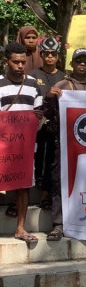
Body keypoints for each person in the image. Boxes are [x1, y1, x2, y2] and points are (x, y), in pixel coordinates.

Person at [44, 48, 86, 240]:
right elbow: (47, 114)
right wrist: (49, 97)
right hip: (66, 145)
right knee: (61, 181)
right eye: (78, 61)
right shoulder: (62, 85)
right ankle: (58, 224)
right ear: (71, 64)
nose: (82, 64)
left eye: (85, 61)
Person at [0, 42, 43, 242]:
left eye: (23, 62)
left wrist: (38, 117)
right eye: (15, 62)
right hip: (3, 145)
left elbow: (39, 115)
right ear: (6, 61)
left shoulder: (33, 85)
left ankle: (21, 228)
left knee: (23, 184)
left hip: (25, 147)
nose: (20, 66)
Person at [30, 37, 65, 209]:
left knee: (53, 161)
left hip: (58, 126)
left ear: (58, 56)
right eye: (46, 53)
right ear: (41, 55)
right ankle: (36, 190)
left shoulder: (64, 77)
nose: (50, 56)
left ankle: (46, 194)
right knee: (38, 158)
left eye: (53, 54)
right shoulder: (33, 75)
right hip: (37, 125)